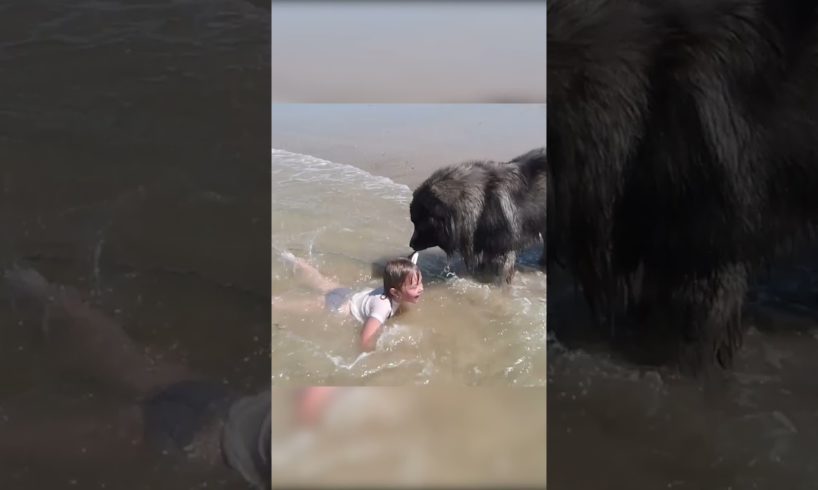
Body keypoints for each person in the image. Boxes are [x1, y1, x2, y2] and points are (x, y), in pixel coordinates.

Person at [1, 265, 339, 489]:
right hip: (197, 445)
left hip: (222, 402)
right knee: (55, 436)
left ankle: (39, 292)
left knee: (139, 368)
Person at [273, 251, 424, 352]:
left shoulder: (390, 287)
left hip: (348, 294)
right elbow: (365, 338)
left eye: (421, 283)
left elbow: (407, 270)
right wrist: (372, 353)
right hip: (340, 308)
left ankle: (295, 261)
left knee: (321, 281)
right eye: (415, 286)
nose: (421, 289)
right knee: (309, 305)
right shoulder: (383, 308)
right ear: (395, 292)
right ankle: (274, 304)